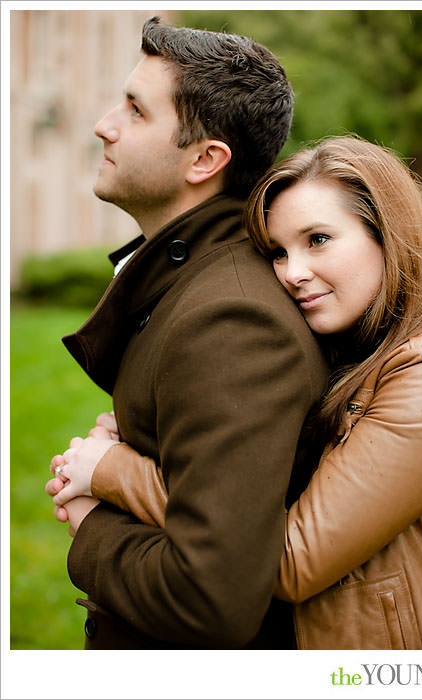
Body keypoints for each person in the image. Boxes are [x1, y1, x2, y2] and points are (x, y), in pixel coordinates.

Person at [49, 136, 422, 649]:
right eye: (278, 251)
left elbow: (288, 560)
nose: (293, 273)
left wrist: (118, 472)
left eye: (318, 239)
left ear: (388, 235)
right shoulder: (347, 349)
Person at [42, 17, 328, 649]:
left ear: (205, 159)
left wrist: (92, 522)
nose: (104, 124)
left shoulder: (232, 321)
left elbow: (210, 601)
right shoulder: (195, 287)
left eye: (136, 111)